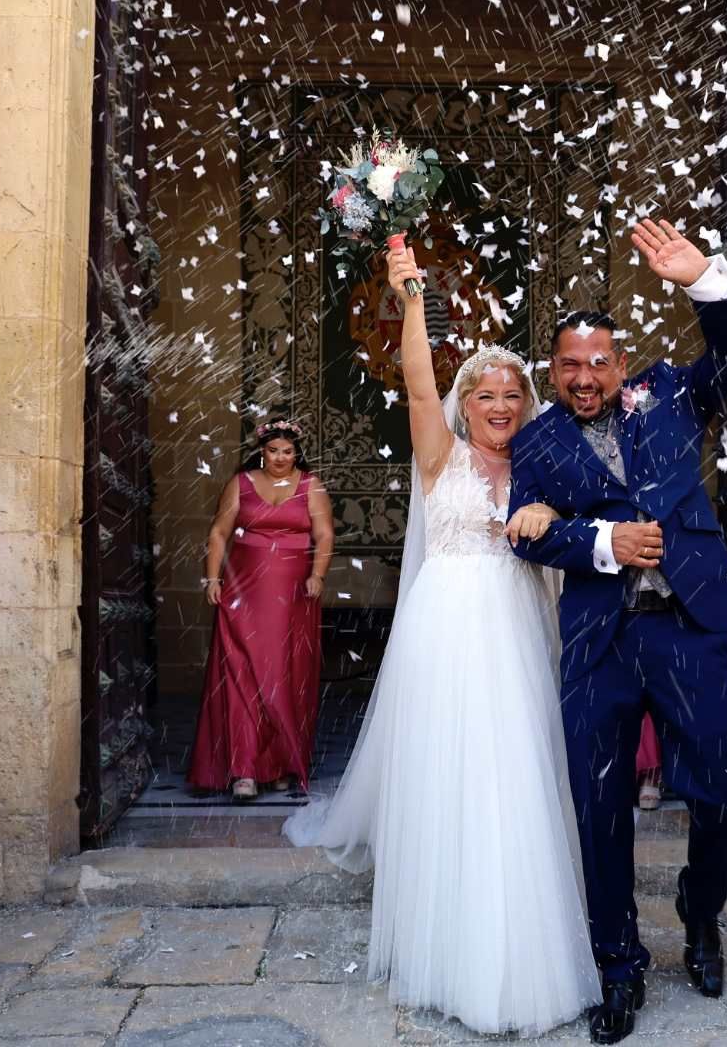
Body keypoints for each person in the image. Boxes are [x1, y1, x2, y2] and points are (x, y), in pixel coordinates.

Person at [284, 243, 601, 1036]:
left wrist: (554, 517)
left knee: (515, 779)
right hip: (446, 635)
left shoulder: (543, 468)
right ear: (467, 402)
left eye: (511, 395)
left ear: (527, 406)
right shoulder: (441, 457)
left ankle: (521, 957)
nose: (498, 404)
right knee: (449, 779)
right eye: (485, 393)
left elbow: (581, 523)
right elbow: (418, 380)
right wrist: (413, 300)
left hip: (517, 638)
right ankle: (446, 952)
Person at [508, 218, 727, 1043]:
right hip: (601, 641)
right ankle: (618, 963)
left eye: (599, 364)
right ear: (553, 370)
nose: (585, 379)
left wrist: (705, 286)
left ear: (622, 363)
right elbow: (523, 528)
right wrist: (601, 542)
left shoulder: (673, 394)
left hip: (688, 625)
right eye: (569, 366)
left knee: (723, 789)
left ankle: (700, 907)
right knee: (600, 807)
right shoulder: (536, 441)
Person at [189, 419, 334, 798]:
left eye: (287, 451)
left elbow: (325, 534)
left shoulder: (311, 485)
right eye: (273, 451)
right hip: (243, 591)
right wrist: (213, 578)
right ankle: (244, 771)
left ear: (296, 452)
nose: (281, 458)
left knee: (283, 677)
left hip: (292, 597)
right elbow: (220, 532)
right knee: (241, 676)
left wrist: (318, 574)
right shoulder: (241, 483)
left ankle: (282, 760)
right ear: (262, 451)